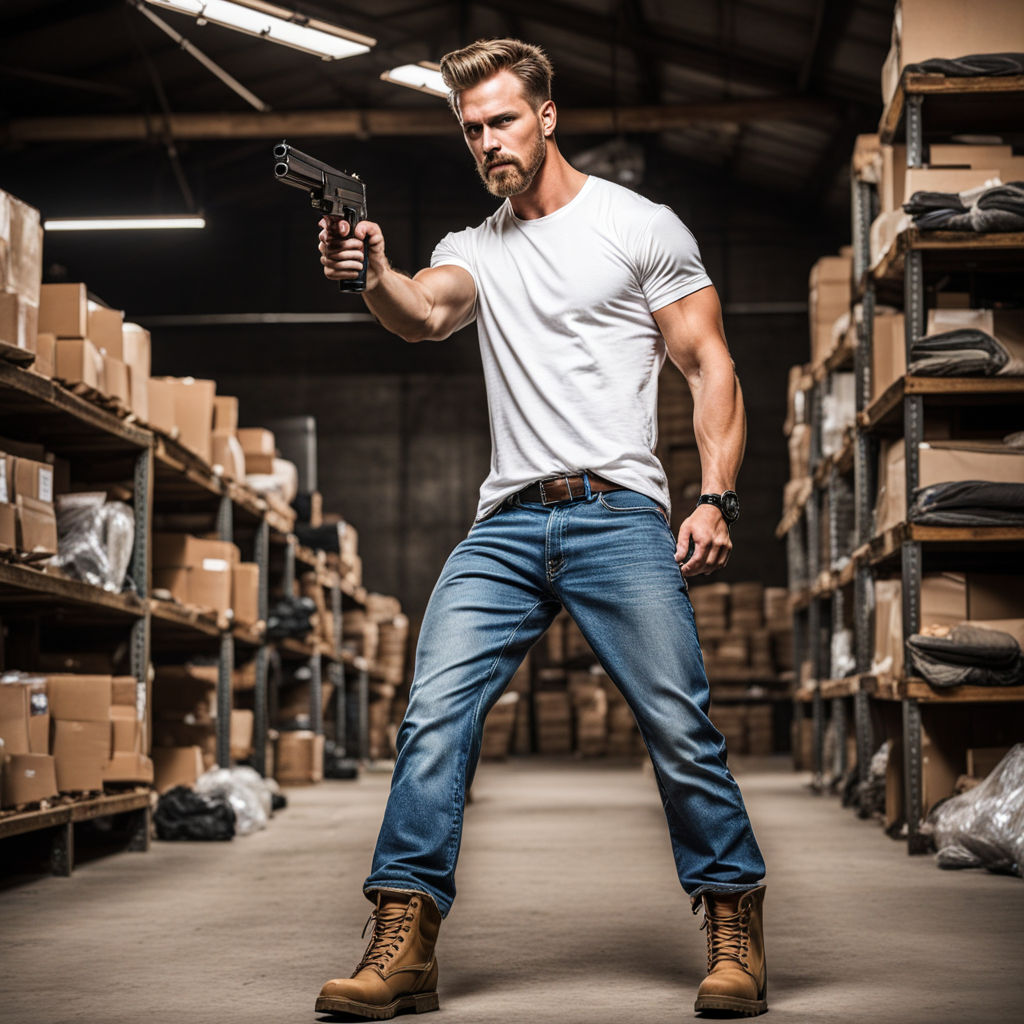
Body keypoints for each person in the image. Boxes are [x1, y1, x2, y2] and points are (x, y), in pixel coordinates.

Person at [314, 38, 768, 1021]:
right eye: (470, 128)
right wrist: (371, 272)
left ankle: (734, 926)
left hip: (619, 511)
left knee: (678, 726)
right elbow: (424, 313)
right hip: (505, 526)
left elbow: (708, 364)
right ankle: (403, 938)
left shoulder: (636, 226)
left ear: (547, 115)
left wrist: (714, 493)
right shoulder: (471, 250)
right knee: (434, 711)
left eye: (503, 120)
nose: (487, 142)